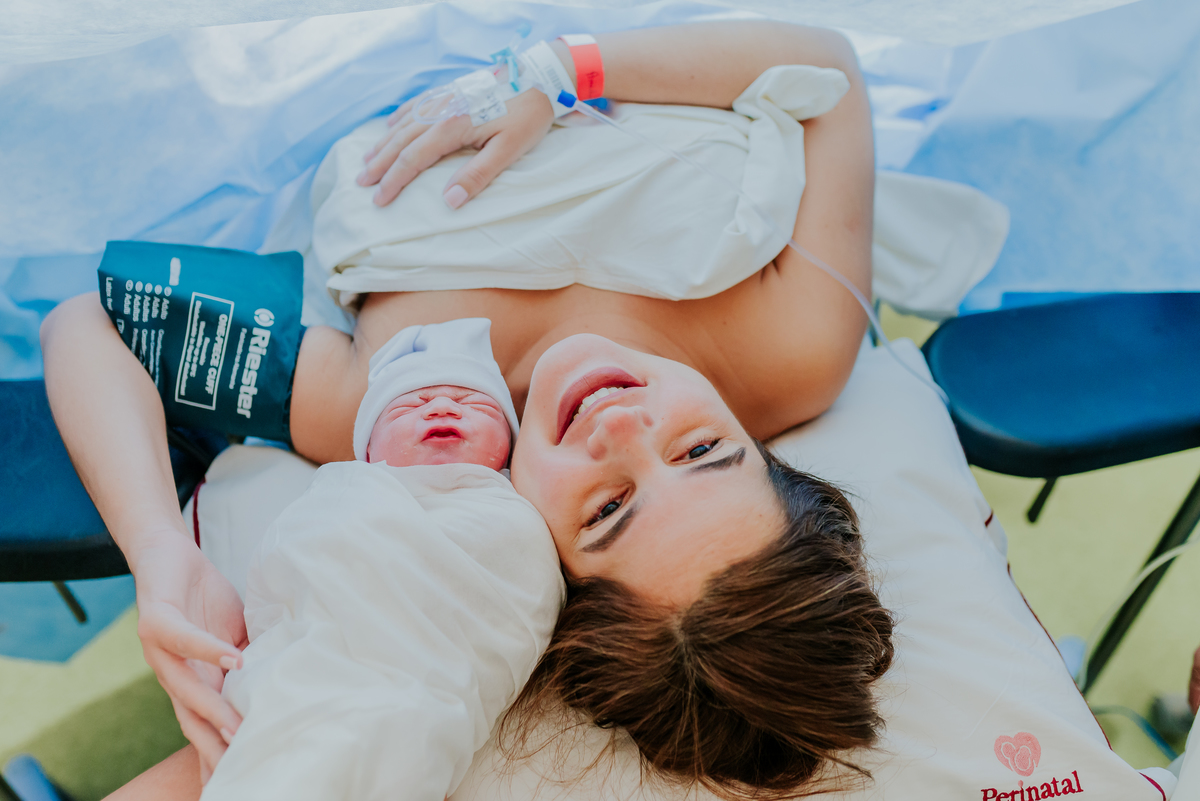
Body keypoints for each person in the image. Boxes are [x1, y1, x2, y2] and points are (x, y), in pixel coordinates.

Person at [40, 21, 889, 800]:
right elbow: (831, 75)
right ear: (768, 451)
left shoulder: (407, 403)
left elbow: (93, 322)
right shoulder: (795, 350)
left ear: (549, 563)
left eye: (609, 507)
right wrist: (561, 69)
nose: (622, 426)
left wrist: (157, 548)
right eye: (705, 450)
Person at [201, 318, 564, 798]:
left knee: (388, 739)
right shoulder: (344, 493)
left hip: (425, 684)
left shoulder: (510, 515)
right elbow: (292, 560)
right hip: (324, 656)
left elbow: (524, 597)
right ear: (368, 453)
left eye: (472, 403)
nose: (439, 406)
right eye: (408, 406)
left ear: (510, 452)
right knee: (285, 729)